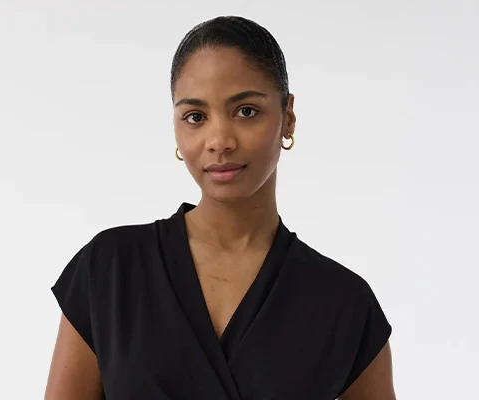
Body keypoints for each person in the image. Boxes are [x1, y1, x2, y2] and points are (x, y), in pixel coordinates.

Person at [43, 16, 395, 400]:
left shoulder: (344, 304)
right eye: (196, 117)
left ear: (288, 117)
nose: (219, 141)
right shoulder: (109, 270)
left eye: (246, 111)